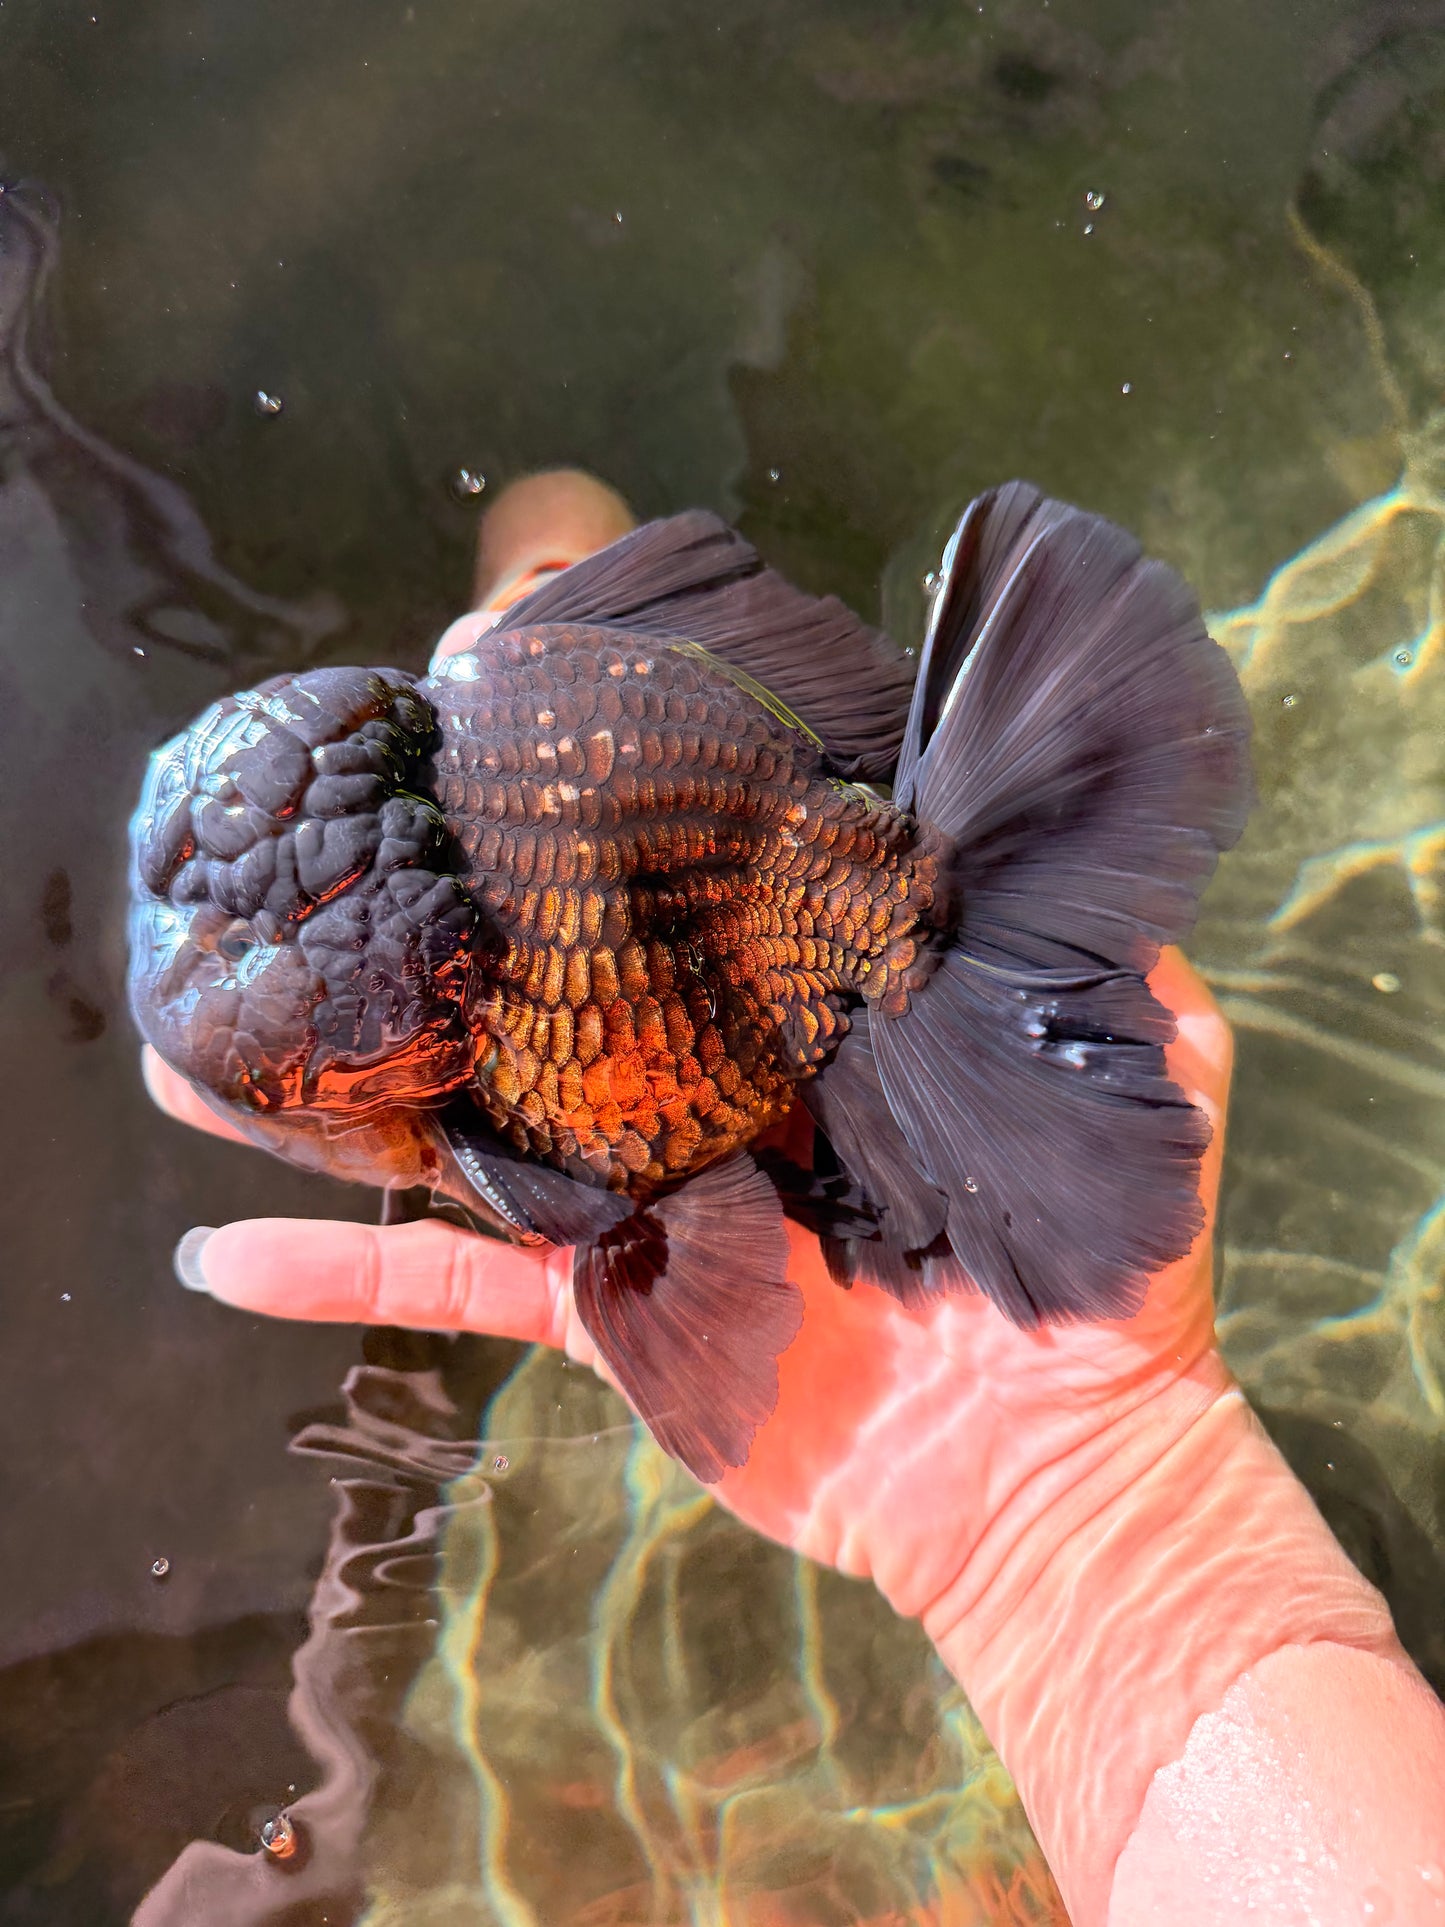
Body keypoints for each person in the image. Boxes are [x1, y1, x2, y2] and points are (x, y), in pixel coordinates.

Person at [145, 471, 1445, 1927]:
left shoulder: (489, 1097)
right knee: (549, 532)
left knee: (542, 536)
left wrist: (1091, 1502)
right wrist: (1092, 1518)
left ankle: (547, 534)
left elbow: (616, 1227)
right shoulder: (473, 733)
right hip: (633, 739)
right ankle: (552, 536)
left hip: (727, 915)